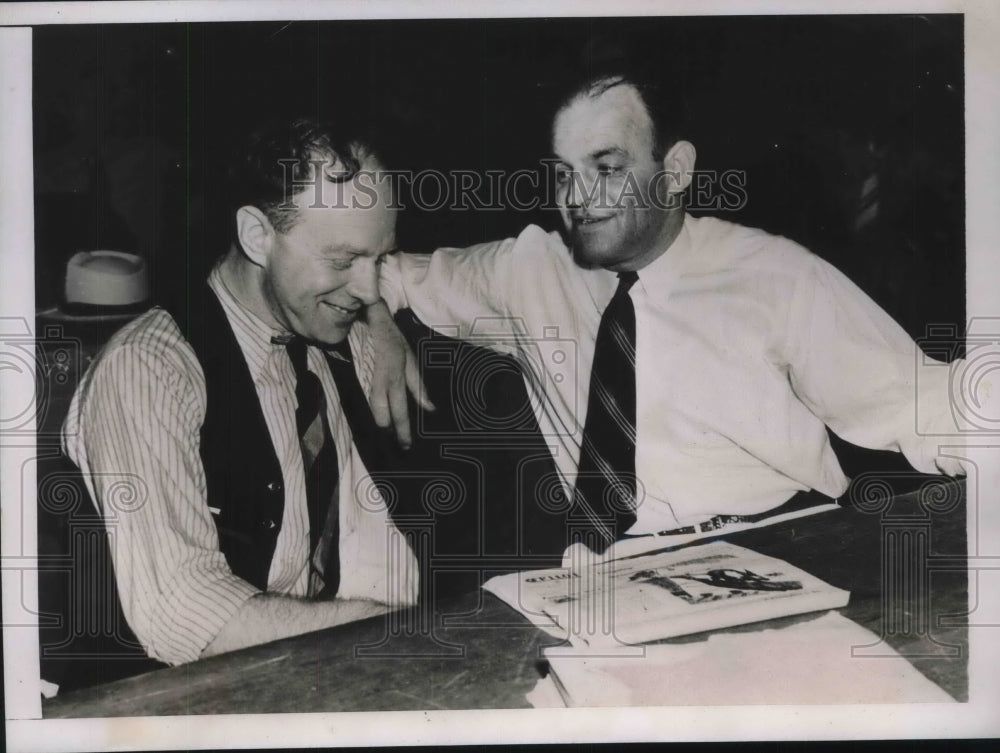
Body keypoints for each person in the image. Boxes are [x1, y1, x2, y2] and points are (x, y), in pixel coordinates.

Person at [375, 66, 970, 554]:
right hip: (616, 571)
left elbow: (923, 405)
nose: (577, 197)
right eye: (564, 175)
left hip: (780, 543)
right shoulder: (527, 269)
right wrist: (380, 321)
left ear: (675, 171)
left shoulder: (774, 276)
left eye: (606, 169)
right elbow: (381, 268)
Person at [63, 117, 428, 666]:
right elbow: (187, 615)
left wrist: (381, 318)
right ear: (258, 236)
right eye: (344, 259)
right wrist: (398, 629)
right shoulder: (148, 369)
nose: (369, 286)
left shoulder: (326, 326)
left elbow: (465, 281)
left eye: (380, 259)